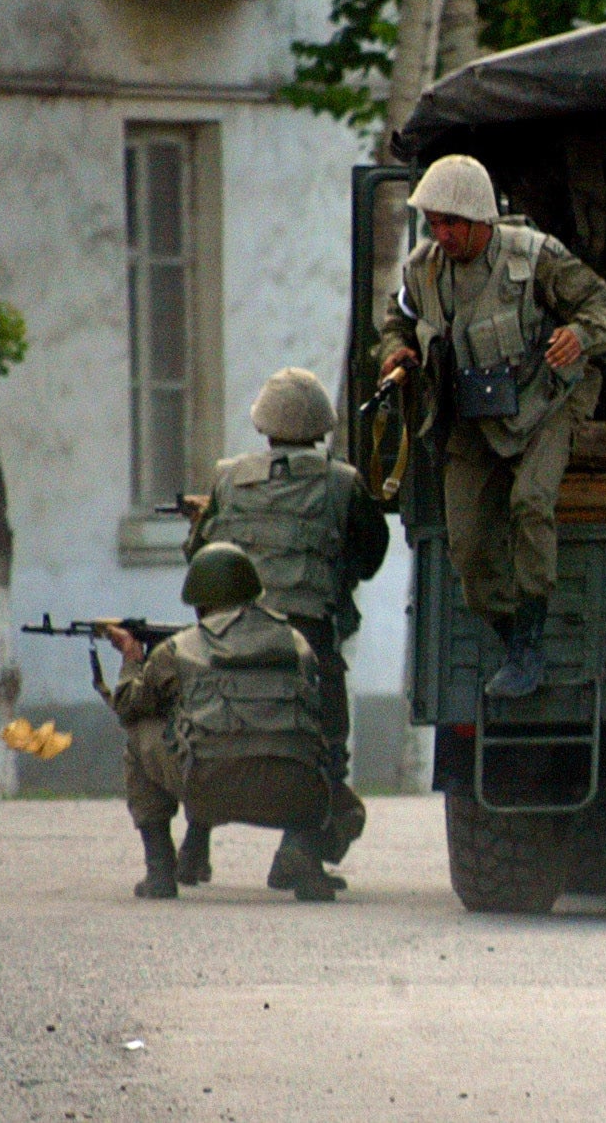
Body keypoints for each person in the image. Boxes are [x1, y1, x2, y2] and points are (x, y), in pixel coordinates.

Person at [377, 154, 606, 699]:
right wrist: (397, 349)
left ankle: (531, 639)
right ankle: (515, 640)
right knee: (465, 543)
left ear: (480, 220)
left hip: (546, 402)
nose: (441, 234)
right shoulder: (423, 270)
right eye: (434, 222)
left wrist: (579, 336)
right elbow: (397, 317)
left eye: (452, 223)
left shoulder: (536, 258)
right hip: (471, 414)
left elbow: (604, 306)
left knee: (530, 503)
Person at [182, 367, 388, 890]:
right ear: (320, 428)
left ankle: (192, 847)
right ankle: (300, 849)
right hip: (307, 643)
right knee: (323, 744)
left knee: (207, 733)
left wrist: (205, 520)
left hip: (226, 638)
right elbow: (369, 557)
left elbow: (199, 559)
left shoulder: (227, 477)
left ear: (263, 426)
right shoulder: (341, 483)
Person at [103, 544, 337, 903]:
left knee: (140, 732)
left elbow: (129, 705)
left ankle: (160, 870)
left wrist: (133, 658)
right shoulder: (298, 643)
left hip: (208, 789)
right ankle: (304, 859)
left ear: (198, 603)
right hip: (295, 795)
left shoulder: (178, 650)